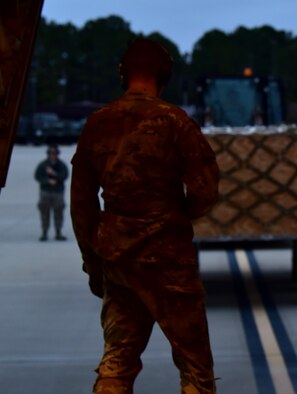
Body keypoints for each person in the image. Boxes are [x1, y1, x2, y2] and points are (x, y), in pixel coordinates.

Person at [70, 38, 219, 394]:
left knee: (117, 362)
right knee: (195, 367)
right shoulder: (176, 122)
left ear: (123, 74)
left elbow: (82, 206)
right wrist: (173, 218)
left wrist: (94, 264)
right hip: (168, 261)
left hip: (117, 259)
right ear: (164, 74)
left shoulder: (98, 123)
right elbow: (204, 190)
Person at [34, 143, 69, 241]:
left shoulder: (61, 165)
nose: (53, 155)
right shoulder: (43, 165)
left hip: (58, 192)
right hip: (45, 192)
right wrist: (47, 180)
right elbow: (37, 176)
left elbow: (65, 175)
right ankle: (44, 232)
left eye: (54, 153)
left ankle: (58, 232)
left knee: (59, 212)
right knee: (44, 212)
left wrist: (54, 175)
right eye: (51, 153)